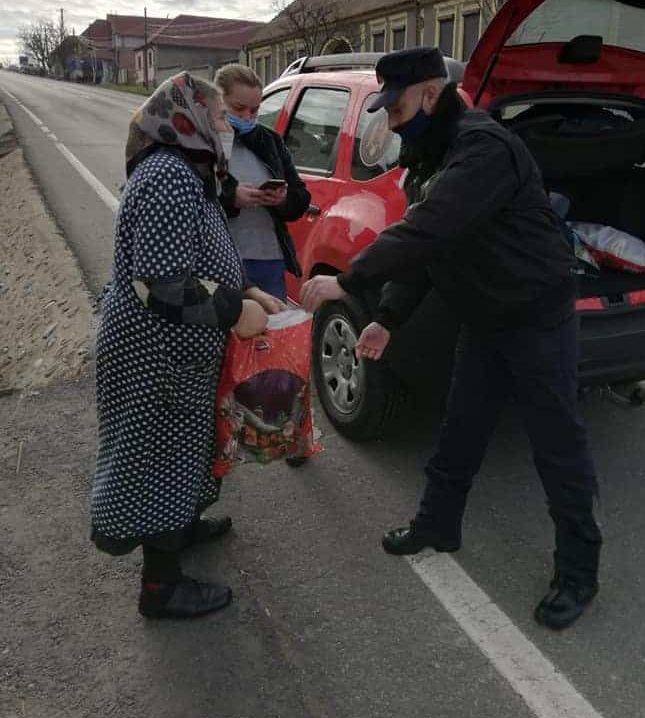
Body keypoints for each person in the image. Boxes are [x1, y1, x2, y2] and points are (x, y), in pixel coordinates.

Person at [301, 47, 602, 630]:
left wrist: (350, 279)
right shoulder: (430, 156)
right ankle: (439, 523)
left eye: (396, 106)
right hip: (485, 316)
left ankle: (579, 570)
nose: (389, 120)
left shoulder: (483, 148)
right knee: (461, 425)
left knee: (557, 442)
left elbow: (427, 229)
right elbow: (427, 255)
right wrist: (386, 318)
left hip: (538, 316)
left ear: (431, 93)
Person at [91, 71, 284, 621]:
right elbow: (160, 282)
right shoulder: (167, 177)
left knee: (185, 451)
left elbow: (195, 255)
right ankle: (161, 587)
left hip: (176, 351)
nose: (227, 128)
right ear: (189, 119)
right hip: (154, 354)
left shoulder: (188, 173)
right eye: (221, 118)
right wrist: (233, 309)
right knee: (158, 459)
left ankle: (180, 524)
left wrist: (244, 287)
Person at [214, 64, 310, 301]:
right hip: (218, 259)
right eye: (239, 108)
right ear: (219, 100)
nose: (248, 117)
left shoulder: (270, 141)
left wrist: (282, 199)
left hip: (268, 259)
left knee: (269, 333)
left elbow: (301, 198)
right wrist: (232, 196)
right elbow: (192, 198)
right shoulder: (203, 141)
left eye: (255, 110)